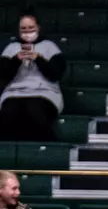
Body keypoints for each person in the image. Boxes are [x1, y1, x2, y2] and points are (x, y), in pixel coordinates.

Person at [0, 12, 66, 141]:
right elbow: (3, 74)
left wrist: (38, 59)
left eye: (31, 28)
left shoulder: (50, 46)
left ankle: (49, 146)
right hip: (14, 92)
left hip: (45, 92)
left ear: (38, 27)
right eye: (23, 28)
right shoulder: (11, 48)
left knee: (34, 110)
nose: (27, 31)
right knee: (9, 112)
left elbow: (56, 74)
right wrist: (16, 60)